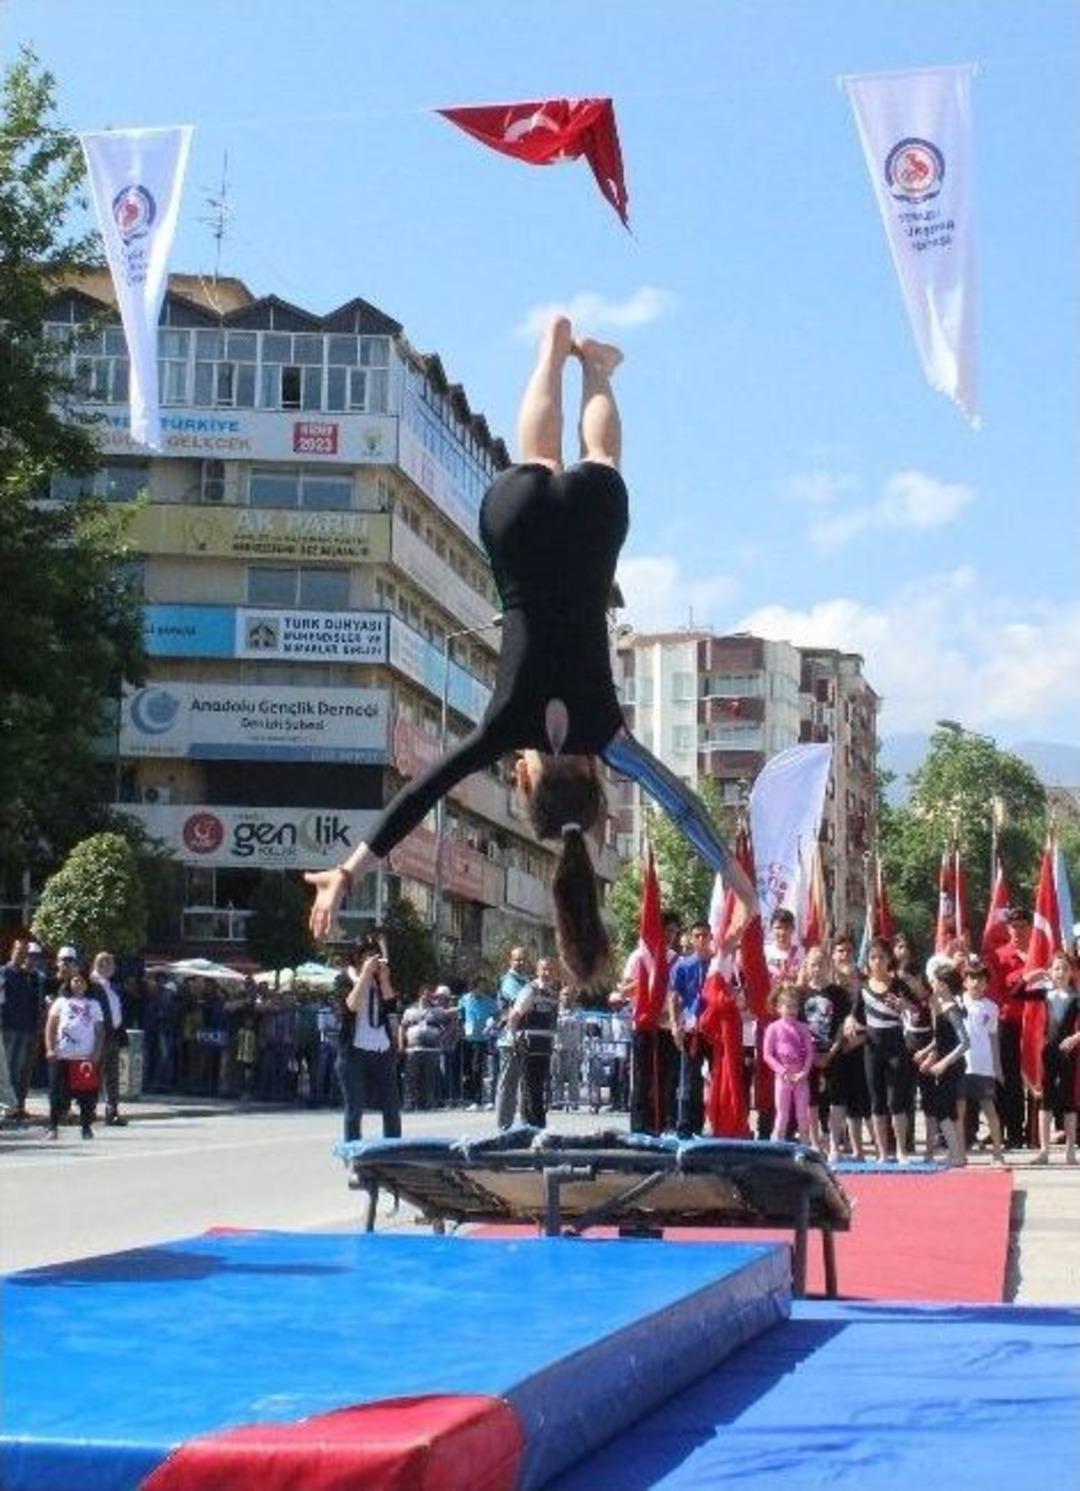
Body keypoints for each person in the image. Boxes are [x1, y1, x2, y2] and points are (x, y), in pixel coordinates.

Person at [306, 316, 756, 980]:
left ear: (595, 780)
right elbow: (419, 795)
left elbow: (683, 804)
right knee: (538, 457)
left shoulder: (608, 735)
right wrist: (348, 869)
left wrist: (737, 881)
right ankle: (551, 353)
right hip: (518, 532)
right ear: (523, 777)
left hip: (591, 539)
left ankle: (594, 365)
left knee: (598, 461)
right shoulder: (503, 727)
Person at [847, 938, 917, 1163]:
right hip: (872, 1049)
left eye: (881, 957)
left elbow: (917, 1012)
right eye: (873, 957)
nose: (877, 962)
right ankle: (883, 1152)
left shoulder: (899, 985)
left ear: (889, 960)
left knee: (896, 1101)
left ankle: (902, 1151)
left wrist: (905, 1006)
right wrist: (849, 1023)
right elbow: (854, 1015)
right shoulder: (863, 987)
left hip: (896, 1046)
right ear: (868, 961)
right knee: (876, 1101)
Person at [335, 938, 401, 1148]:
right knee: (354, 1109)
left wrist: (384, 980)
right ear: (358, 957)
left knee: (391, 1108)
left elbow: (391, 1007)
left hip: (381, 1048)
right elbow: (351, 1006)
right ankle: (355, 1156)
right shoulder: (345, 978)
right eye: (367, 955)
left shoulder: (380, 980)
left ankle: (393, 1154)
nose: (372, 960)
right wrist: (364, 976)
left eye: (375, 955)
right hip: (354, 1051)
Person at [1017, 950, 1079, 1166]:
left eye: (1064, 968)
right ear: (1051, 971)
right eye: (1056, 968)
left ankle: (1070, 1151)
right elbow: (1016, 994)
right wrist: (1031, 976)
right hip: (1049, 1053)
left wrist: (1076, 1037)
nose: (1060, 972)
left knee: (1070, 1102)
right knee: (1046, 1101)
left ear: (1071, 972)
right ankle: (1044, 1151)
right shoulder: (1045, 993)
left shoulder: (1076, 996)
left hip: (1069, 1054)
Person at [912, 961, 969, 1167]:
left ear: (944, 985)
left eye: (934, 981)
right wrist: (925, 1052)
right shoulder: (941, 1007)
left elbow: (965, 1042)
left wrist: (943, 1063)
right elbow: (941, 1038)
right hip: (944, 1064)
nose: (931, 984)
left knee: (943, 1109)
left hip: (952, 1066)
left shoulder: (952, 1009)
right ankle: (957, 1153)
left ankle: (956, 1153)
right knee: (947, 1110)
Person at [43, 964, 104, 1140]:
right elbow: (51, 1027)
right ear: (69, 983)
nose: (78, 984)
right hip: (62, 1055)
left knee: (86, 1096)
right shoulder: (61, 1002)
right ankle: (52, 1127)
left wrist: (97, 1052)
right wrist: (49, 1049)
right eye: (75, 980)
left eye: (82, 981)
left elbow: (100, 1031)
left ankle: (86, 1128)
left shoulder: (93, 1005)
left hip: (84, 1058)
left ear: (87, 985)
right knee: (56, 1093)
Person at [958, 959, 1007, 1167]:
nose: (976, 983)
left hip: (984, 1066)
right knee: (959, 1112)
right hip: (960, 1065)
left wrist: (997, 1067)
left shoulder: (992, 1008)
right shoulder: (957, 1002)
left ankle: (997, 1153)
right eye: (971, 978)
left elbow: (993, 1038)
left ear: (986, 983)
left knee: (990, 1110)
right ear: (964, 981)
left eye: (980, 979)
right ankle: (959, 1152)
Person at [668, 920, 714, 1138]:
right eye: (697, 936)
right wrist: (675, 1025)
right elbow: (674, 997)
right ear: (691, 939)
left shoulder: (718, 964)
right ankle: (687, 1126)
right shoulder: (683, 965)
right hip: (691, 1028)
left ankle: (713, 1122)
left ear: (711, 937)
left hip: (713, 1029)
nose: (701, 940)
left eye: (705, 935)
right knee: (689, 1079)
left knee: (717, 1077)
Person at [508, 955, 561, 1128]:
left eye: (550, 969)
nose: (547, 973)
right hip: (529, 1043)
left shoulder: (553, 994)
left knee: (540, 1084)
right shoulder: (530, 989)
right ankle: (529, 1123)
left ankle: (539, 1121)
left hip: (545, 1045)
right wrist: (513, 1036)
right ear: (537, 971)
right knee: (530, 1085)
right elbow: (515, 1014)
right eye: (544, 969)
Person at [762, 986, 814, 1145]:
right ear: (779, 1008)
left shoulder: (804, 1028)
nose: (792, 1010)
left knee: (802, 1116)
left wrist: (804, 1072)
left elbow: (810, 1053)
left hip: (800, 1079)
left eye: (795, 1006)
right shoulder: (773, 1028)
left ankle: (805, 1147)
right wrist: (782, 1071)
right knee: (782, 1115)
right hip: (782, 1079)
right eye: (788, 1006)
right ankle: (776, 1146)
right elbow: (767, 1055)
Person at [1, 939, 45, 1123]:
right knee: (6, 1070)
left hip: (26, 1028)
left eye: (24, 952)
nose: (21, 955)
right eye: (18, 951)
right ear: (12, 951)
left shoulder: (30, 976)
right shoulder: (4, 972)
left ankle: (17, 1106)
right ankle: (6, 1107)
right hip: (8, 1028)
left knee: (19, 1070)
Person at [89, 951, 129, 1126]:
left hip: (112, 1034)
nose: (107, 966)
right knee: (94, 1074)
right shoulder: (91, 983)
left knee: (112, 1075)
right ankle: (89, 1110)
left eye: (110, 963)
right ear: (97, 964)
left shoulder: (112, 986)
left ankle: (112, 1110)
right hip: (97, 1035)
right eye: (103, 962)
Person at [494, 948, 532, 1127]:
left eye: (524, 960)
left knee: (524, 1084)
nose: (521, 963)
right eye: (517, 960)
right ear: (510, 961)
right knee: (508, 1084)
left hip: (523, 1037)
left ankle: (524, 1125)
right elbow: (521, 1000)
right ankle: (503, 1126)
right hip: (509, 1038)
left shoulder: (525, 981)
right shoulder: (509, 980)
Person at [458, 979, 498, 1109]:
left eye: (483, 987)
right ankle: (468, 1098)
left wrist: (492, 1025)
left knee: (478, 1069)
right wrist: (462, 1026)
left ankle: (478, 1099)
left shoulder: (489, 1001)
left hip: (482, 1040)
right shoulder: (465, 999)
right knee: (467, 1070)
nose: (481, 990)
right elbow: (461, 1015)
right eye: (479, 987)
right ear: (473, 988)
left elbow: (497, 1016)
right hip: (467, 1039)